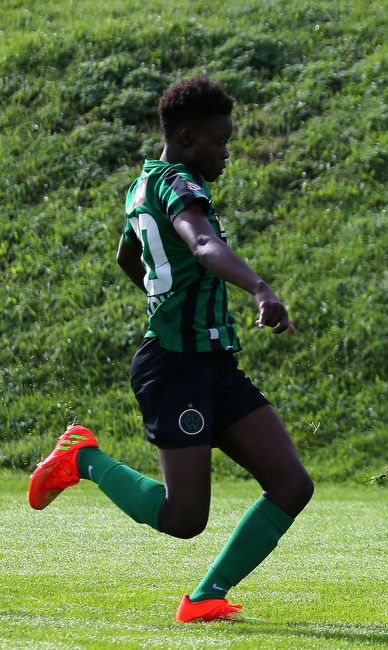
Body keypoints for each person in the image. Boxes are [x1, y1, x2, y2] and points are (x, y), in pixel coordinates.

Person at [28, 76, 314, 623]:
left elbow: (125, 256)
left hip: (211, 362)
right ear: (187, 137)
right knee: (184, 517)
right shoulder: (179, 183)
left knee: (290, 484)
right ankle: (81, 457)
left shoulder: (143, 185)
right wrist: (259, 287)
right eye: (220, 141)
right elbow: (203, 244)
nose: (227, 152)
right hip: (175, 367)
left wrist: (169, 298)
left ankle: (206, 596)